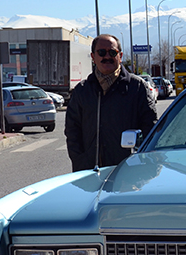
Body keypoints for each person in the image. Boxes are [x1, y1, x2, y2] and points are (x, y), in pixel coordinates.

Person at [65, 34, 157, 172]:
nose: (107, 57)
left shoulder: (137, 87)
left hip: (128, 173)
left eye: (112, 52)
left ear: (120, 56)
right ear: (93, 57)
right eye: (101, 52)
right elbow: (72, 132)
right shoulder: (82, 91)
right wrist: (81, 162)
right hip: (89, 173)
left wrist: (140, 162)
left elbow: (151, 128)